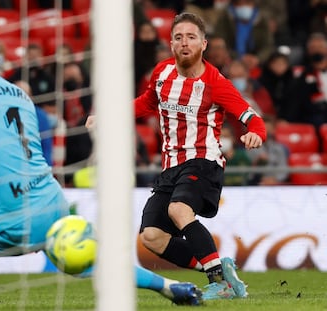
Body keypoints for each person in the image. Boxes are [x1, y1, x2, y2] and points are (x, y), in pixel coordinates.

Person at [0, 20, 202, 309]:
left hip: (10, 222)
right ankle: (170, 286)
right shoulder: (21, 95)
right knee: (88, 261)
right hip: (51, 203)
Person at [87, 12, 266, 300]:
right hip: (171, 166)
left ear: (204, 44)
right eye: (179, 37)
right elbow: (145, 103)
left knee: (179, 210)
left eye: (191, 37)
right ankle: (218, 267)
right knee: (152, 238)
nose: (185, 42)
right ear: (171, 43)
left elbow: (252, 118)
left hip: (204, 161)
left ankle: (220, 283)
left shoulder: (215, 83)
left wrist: (256, 134)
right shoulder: (161, 73)